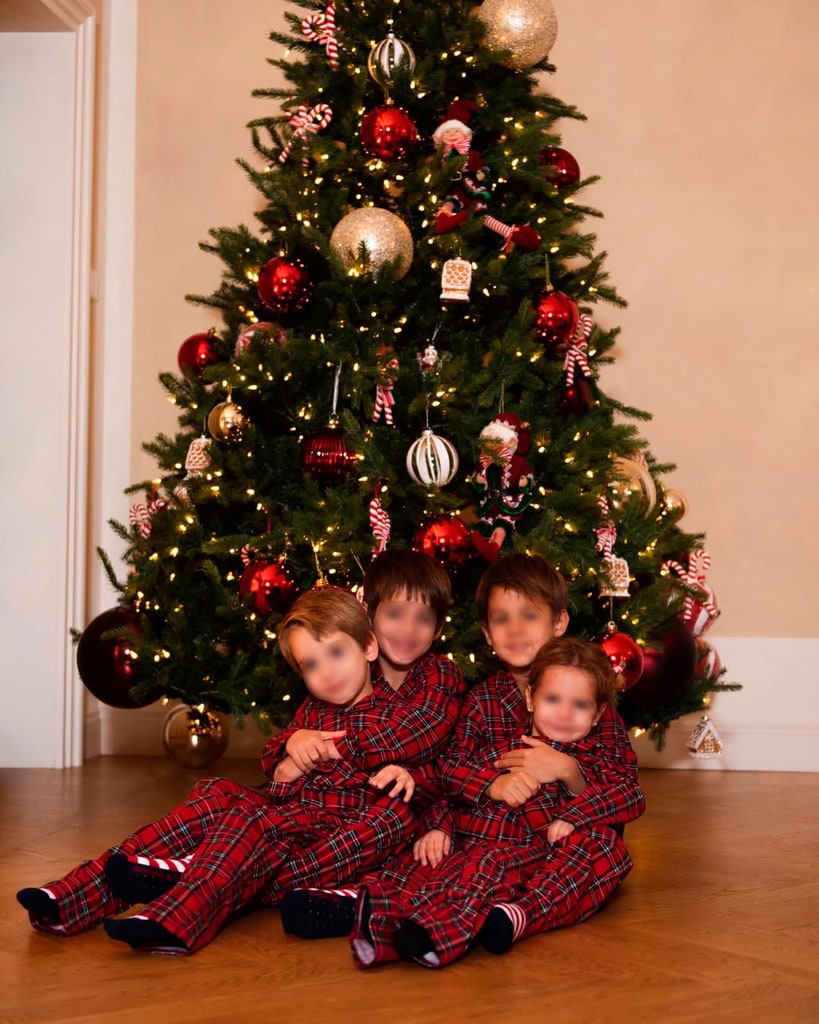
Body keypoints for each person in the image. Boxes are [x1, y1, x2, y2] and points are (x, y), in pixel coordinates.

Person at [16, 584, 459, 955]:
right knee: (215, 794)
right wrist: (290, 746)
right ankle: (79, 894)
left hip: (332, 829)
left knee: (252, 820)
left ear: (368, 647)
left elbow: (428, 769)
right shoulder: (314, 708)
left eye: (336, 653)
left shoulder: (397, 710)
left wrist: (406, 781)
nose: (327, 673)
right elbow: (271, 758)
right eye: (311, 664)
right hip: (288, 811)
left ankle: (181, 911)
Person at [287, 552, 644, 956]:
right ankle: (362, 902)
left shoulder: (594, 702)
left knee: (604, 852)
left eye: (529, 616)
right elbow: (449, 768)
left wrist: (568, 772)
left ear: (558, 623)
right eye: (501, 619)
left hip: (557, 839)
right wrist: (487, 788)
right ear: (488, 634)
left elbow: (625, 787)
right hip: (489, 830)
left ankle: (515, 914)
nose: (515, 629)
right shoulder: (482, 700)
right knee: (439, 853)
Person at [348, 635, 645, 968]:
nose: (564, 713)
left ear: (597, 713)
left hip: (537, 852)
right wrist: (439, 826)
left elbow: (629, 794)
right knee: (444, 866)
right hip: (481, 841)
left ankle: (468, 927)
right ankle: (382, 921)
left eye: (579, 705)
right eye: (552, 699)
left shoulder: (595, 755)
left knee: (603, 850)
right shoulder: (508, 750)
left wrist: (575, 804)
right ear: (531, 698)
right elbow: (454, 788)